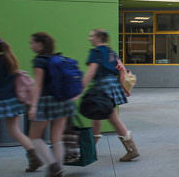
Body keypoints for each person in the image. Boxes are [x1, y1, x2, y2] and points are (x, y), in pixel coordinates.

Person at [82, 29, 139, 161]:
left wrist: (80, 88)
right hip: (112, 85)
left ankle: (132, 150)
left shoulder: (96, 52)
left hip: (102, 87)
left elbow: (91, 72)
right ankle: (92, 150)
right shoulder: (111, 52)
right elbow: (120, 68)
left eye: (91, 36)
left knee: (110, 118)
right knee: (98, 117)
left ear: (98, 38)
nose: (89, 38)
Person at [27, 32, 75, 177]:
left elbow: (38, 85)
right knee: (56, 138)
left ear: (40, 44)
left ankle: (53, 165)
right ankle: (59, 169)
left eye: (32, 43)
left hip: (47, 101)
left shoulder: (39, 61)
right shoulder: (58, 58)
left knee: (34, 136)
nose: (30, 46)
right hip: (63, 100)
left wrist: (33, 106)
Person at [0, 35, 41, 172]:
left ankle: (35, 159)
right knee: (15, 131)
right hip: (13, 100)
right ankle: (34, 158)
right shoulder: (8, 59)